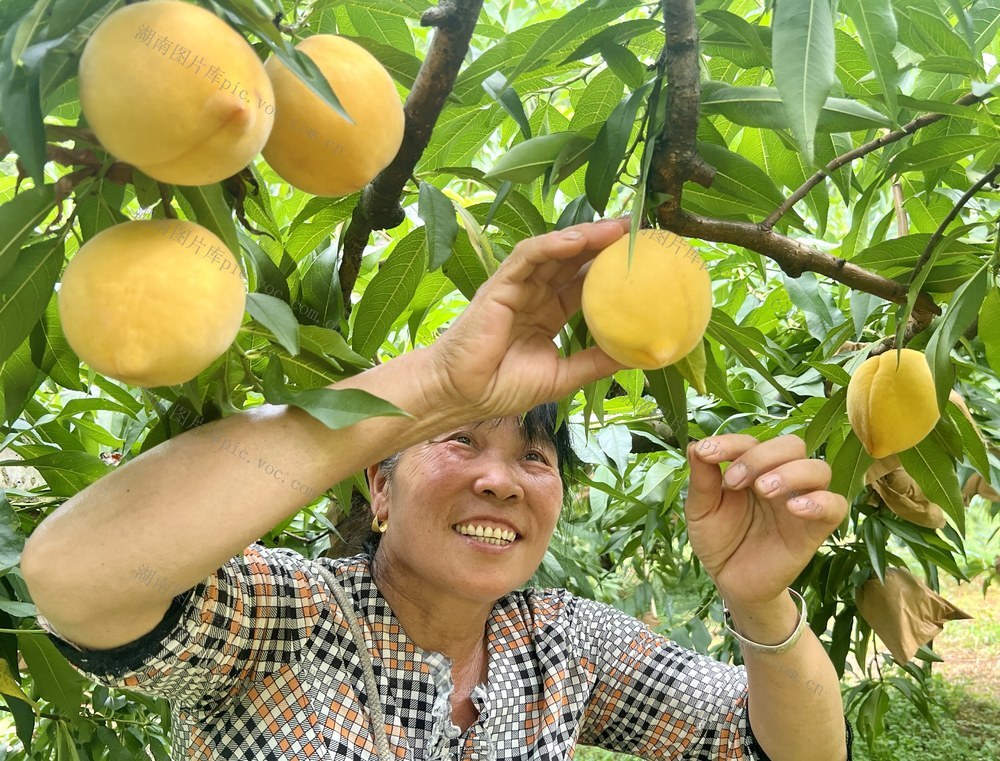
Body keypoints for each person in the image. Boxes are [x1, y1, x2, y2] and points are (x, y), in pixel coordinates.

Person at [22, 218, 852, 760]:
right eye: (460, 440)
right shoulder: (288, 619)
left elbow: (784, 747)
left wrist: (760, 603)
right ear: (378, 489)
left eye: (535, 458)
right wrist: (435, 383)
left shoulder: (562, 646)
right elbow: (75, 577)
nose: (500, 480)